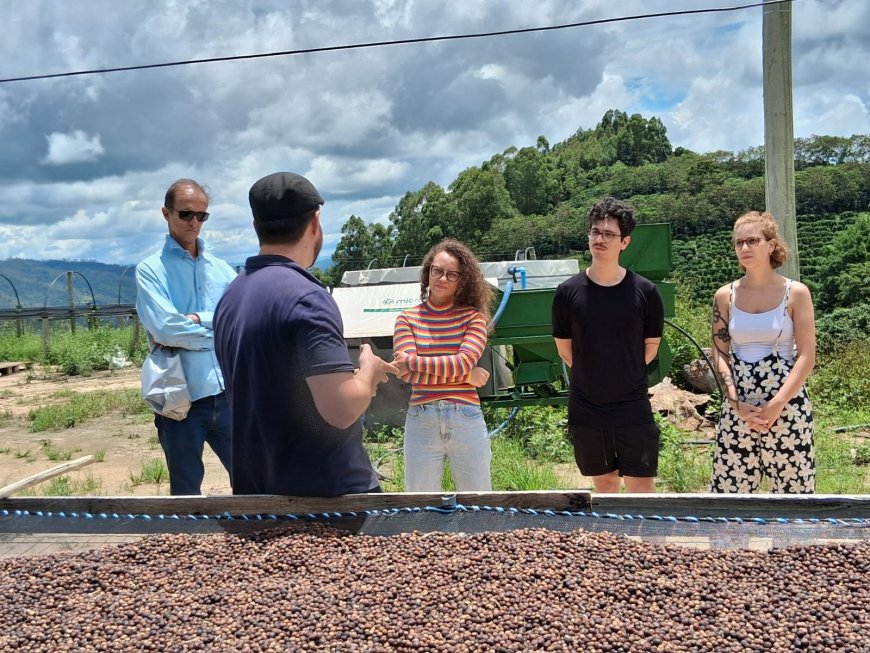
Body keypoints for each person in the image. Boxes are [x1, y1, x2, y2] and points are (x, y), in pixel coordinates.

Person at [213, 172, 397, 496]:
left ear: (256, 225)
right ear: (315, 223)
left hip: (256, 494)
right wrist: (368, 371)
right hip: (328, 496)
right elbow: (341, 409)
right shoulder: (307, 299)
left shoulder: (231, 297)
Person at [552, 197, 664, 493]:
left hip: (632, 403)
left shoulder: (645, 292)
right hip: (587, 404)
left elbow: (651, 345)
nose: (599, 239)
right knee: (604, 482)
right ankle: (612, 540)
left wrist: (622, 373)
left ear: (624, 241)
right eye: (594, 232)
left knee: (642, 483)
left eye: (608, 234)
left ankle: (646, 540)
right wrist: (595, 374)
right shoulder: (567, 292)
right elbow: (565, 349)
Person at [135, 179, 236, 495]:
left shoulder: (220, 269)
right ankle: (187, 544)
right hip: (180, 396)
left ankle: (251, 541)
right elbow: (165, 328)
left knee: (252, 478)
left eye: (202, 216)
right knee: (186, 488)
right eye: (186, 214)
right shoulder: (151, 269)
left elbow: (239, 316)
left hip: (228, 393)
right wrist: (218, 331)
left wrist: (197, 320)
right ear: (166, 213)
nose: (194, 222)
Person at [710, 211, 816, 494]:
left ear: (771, 245)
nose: (744, 248)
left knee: (794, 496)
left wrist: (778, 404)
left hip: (787, 404)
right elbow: (719, 354)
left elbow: (806, 356)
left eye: (753, 241)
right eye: (738, 243)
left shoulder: (796, 293)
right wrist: (735, 404)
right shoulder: (725, 296)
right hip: (738, 406)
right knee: (730, 495)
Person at [393, 239, 494, 492]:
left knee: (478, 499)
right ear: (427, 273)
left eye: (452, 274)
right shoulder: (407, 318)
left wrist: (413, 361)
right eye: (437, 271)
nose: (442, 278)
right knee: (419, 500)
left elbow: (462, 362)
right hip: (421, 418)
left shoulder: (473, 318)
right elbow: (406, 375)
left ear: (463, 280)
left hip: (465, 417)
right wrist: (463, 377)